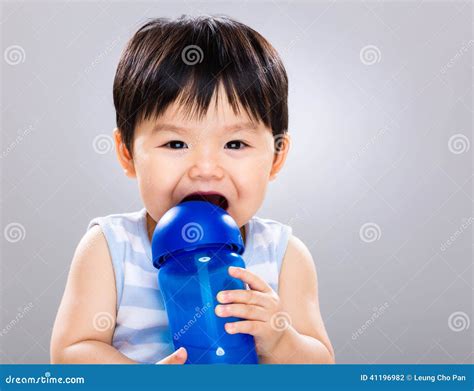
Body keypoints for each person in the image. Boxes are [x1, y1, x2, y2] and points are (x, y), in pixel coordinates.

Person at [50, 14, 334, 365]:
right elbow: (71, 351)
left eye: (234, 144)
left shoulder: (284, 255)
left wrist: (281, 340)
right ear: (127, 154)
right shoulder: (110, 248)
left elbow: (321, 366)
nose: (205, 169)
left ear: (276, 157)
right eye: (174, 144)